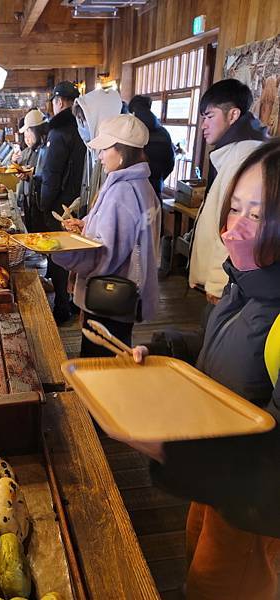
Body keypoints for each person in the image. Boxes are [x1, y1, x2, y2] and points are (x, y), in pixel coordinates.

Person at [131, 140, 280, 599]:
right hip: (217, 478)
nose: (235, 227)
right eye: (234, 207)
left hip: (253, 507)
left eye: (256, 215)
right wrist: (167, 350)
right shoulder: (246, 281)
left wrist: (170, 451)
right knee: (197, 563)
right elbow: (222, 348)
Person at [53, 114, 161, 356]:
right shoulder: (144, 186)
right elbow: (126, 237)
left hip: (108, 294)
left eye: (104, 149)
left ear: (122, 151)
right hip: (128, 293)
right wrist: (85, 225)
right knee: (117, 355)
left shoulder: (121, 191)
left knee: (98, 363)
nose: (100, 156)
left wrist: (60, 251)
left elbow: (106, 255)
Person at [189, 78, 269, 303]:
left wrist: (215, 282)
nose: (203, 125)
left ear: (233, 115)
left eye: (209, 116)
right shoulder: (238, 150)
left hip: (229, 283)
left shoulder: (244, 156)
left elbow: (235, 227)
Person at [40, 81, 86, 324]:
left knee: (59, 257)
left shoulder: (59, 131)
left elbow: (52, 174)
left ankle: (61, 307)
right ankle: (76, 301)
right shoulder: (84, 126)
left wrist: (44, 204)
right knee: (78, 255)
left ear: (58, 102)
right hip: (82, 202)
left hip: (61, 206)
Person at [72, 88, 122, 217]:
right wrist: (81, 203)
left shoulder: (115, 157)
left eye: (84, 121)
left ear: (98, 119)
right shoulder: (91, 150)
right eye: (79, 121)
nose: (81, 127)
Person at [128, 94, 175, 201]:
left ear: (133, 112)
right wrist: (158, 178)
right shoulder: (164, 133)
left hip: (133, 193)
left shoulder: (131, 132)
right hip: (155, 193)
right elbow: (170, 164)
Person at [14, 109, 49, 232]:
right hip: (32, 201)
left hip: (42, 205)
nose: (26, 136)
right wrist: (27, 176)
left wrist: (31, 173)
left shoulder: (47, 149)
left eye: (28, 131)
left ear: (36, 130)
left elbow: (48, 175)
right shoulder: (35, 149)